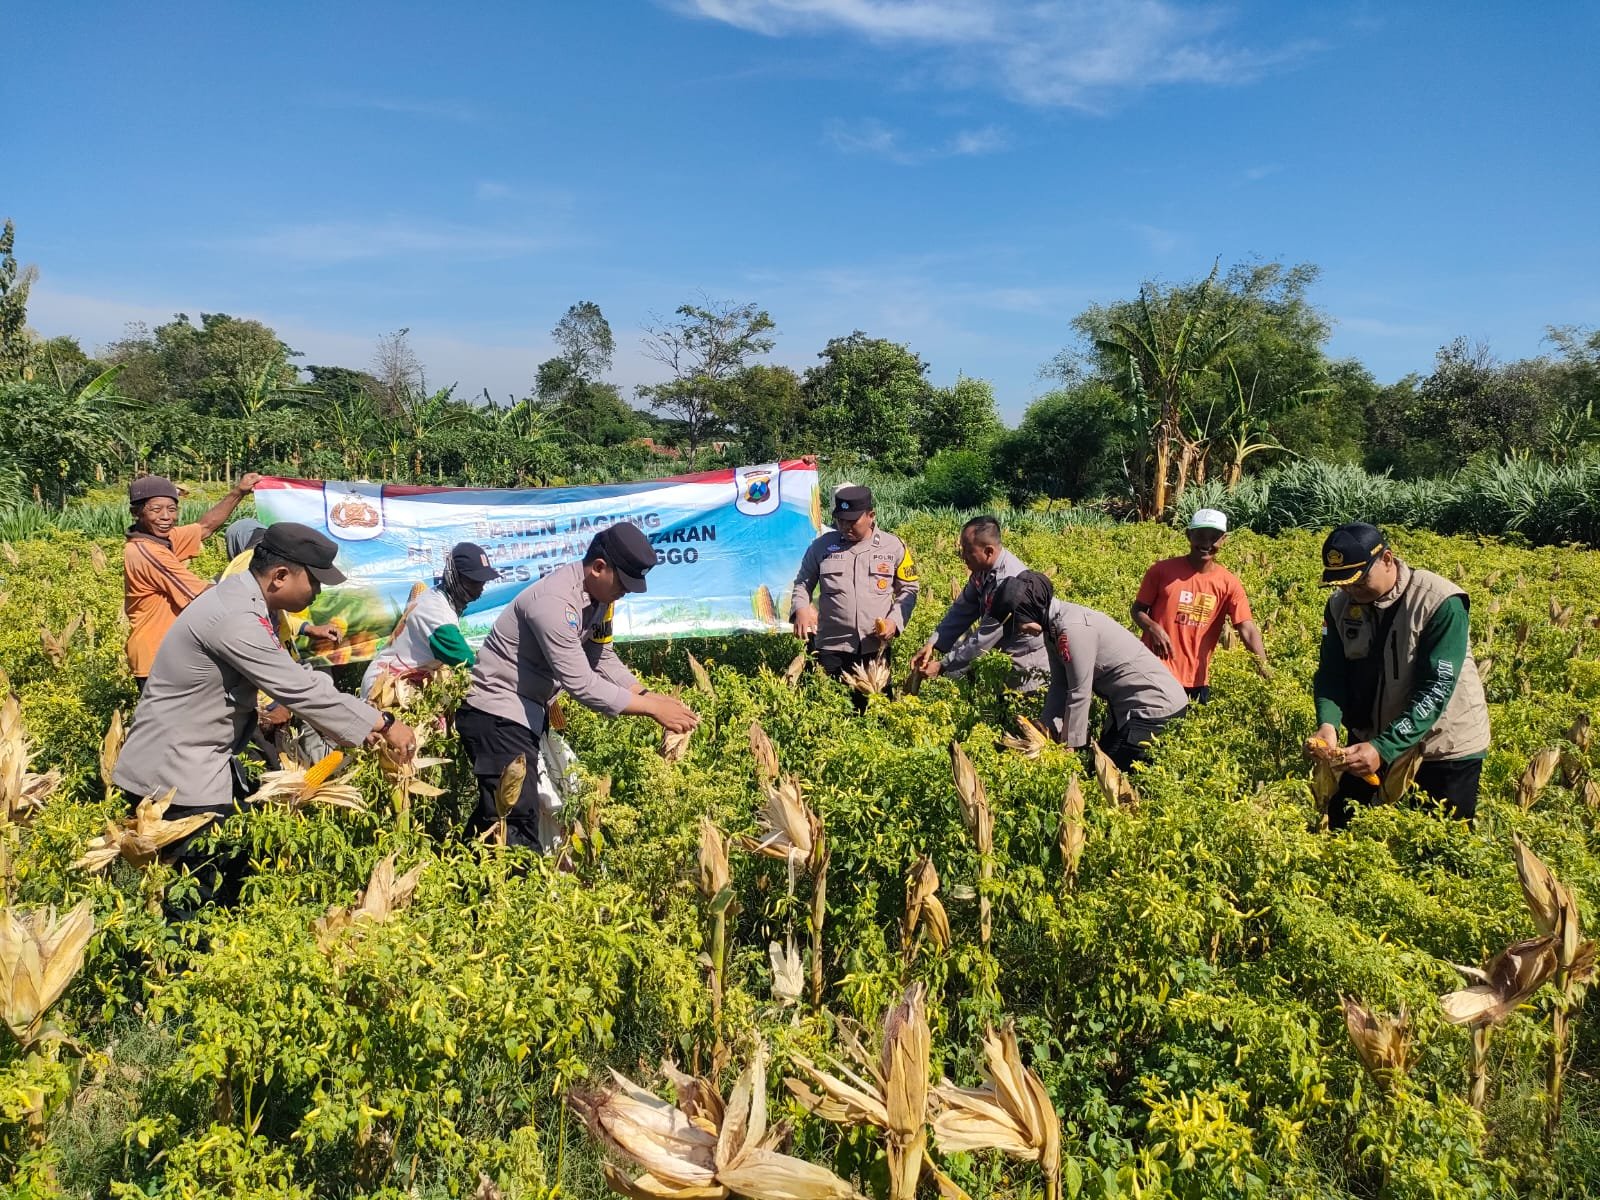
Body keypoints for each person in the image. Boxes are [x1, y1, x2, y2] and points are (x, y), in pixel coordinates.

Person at [113, 522, 416, 908]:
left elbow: (297, 678)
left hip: (195, 760)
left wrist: (358, 723)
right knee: (193, 897)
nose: (318, 593)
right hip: (176, 773)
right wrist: (382, 723)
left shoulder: (250, 603)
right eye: (316, 583)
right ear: (280, 576)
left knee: (218, 876)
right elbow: (295, 687)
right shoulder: (235, 617)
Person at [456, 523, 699, 848]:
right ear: (599, 567)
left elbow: (601, 656)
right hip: (497, 714)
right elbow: (581, 684)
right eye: (623, 584)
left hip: (525, 713)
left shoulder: (600, 598)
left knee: (497, 816)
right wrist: (653, 709)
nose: (624, 592)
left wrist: (644, 693)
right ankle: (513, 894)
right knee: (515, 822)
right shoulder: (554, 603)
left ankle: (457, 874)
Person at [1306, 523, 1490, 828]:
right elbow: (1331, 673)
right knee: (1348, 829)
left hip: (1442, 747)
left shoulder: (1440, 602)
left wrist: (1383, 748)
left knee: (1438, 845)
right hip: (1371, 741)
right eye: (1342, 583)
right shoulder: (1340, 606)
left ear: (1388, 559)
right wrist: (1327, 724)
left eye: (1359, 581)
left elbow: (1436, 688)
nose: (1350, 591)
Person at [989, 571, 1189, 770]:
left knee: (1109, 773)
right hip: (1129, 706)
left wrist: (1070, 747)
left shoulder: (1072, 630)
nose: (1020, 631)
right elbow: (1060, 683)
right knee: (1098, 765)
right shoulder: (1054, 628)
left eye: (1019, 624)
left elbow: (1079, 693)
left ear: (1031, 611)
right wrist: (1045, 727)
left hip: (1155, 707)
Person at [122, 472, 262, 689]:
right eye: (156, 509)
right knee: (170, 722)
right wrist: (260, 591)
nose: (166, 516)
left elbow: (205, 527)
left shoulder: (162, 539)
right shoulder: (146, 553)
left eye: (172, 509)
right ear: (136, 513)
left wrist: (238, 492)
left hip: (172, 653)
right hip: (157, 657)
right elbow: (203, 595)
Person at [790, 484, 919, 703]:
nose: (845, 526)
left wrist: (894, 622)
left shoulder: (893, 546)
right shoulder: (821, 547)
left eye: (852, 521)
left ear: (871, 516)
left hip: (873, 648)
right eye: (841, 520)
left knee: (876, 711)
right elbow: (802, 583)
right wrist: (801, 608)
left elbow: (909, 589)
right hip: (830, 647)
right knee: (829, 710)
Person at [1131, 508, 1270, 704]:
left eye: (1214, 537)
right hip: (1154, 670)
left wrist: (1265, 668)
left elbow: (1246, 628)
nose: (1206, 543)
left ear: (1224, 540)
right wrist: (1152, 627)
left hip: (1196, 679)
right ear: (1189, 535)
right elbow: (1137, 609)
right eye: (1200, 535)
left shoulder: (1229, 583)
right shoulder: (1161, 571)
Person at [909, 515, 1047, 690]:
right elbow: (962, 608)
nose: (963, 556)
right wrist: (933, 643)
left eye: (968, 551)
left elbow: (984, 638)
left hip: (1026, 666)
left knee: (1021, 712)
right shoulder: (982, 570)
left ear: (988, 551)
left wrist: (942, 665)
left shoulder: (1009, 583)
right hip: (1002, 660)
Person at [360, 541, 502, 698]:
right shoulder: (438, 617)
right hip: (386, 688)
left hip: (406, 680)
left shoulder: (437, 596)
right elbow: (467, 662)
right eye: (473, 581)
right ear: (454, 576)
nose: (480, 587)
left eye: (482, 581)